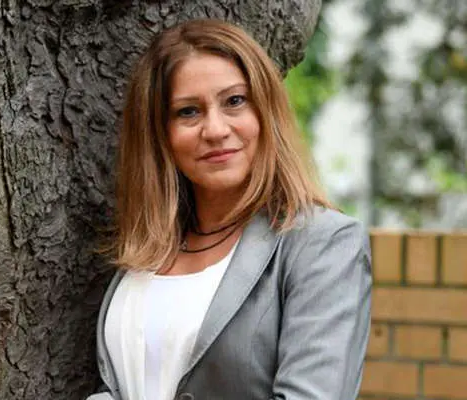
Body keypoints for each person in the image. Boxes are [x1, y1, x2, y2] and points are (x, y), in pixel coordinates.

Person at [87, 19, 372, 400]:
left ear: (265, 112)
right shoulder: (148, 248)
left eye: (234, 101)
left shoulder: (323, 244)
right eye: (188, 111)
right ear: (160, 134)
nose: (216, 129)